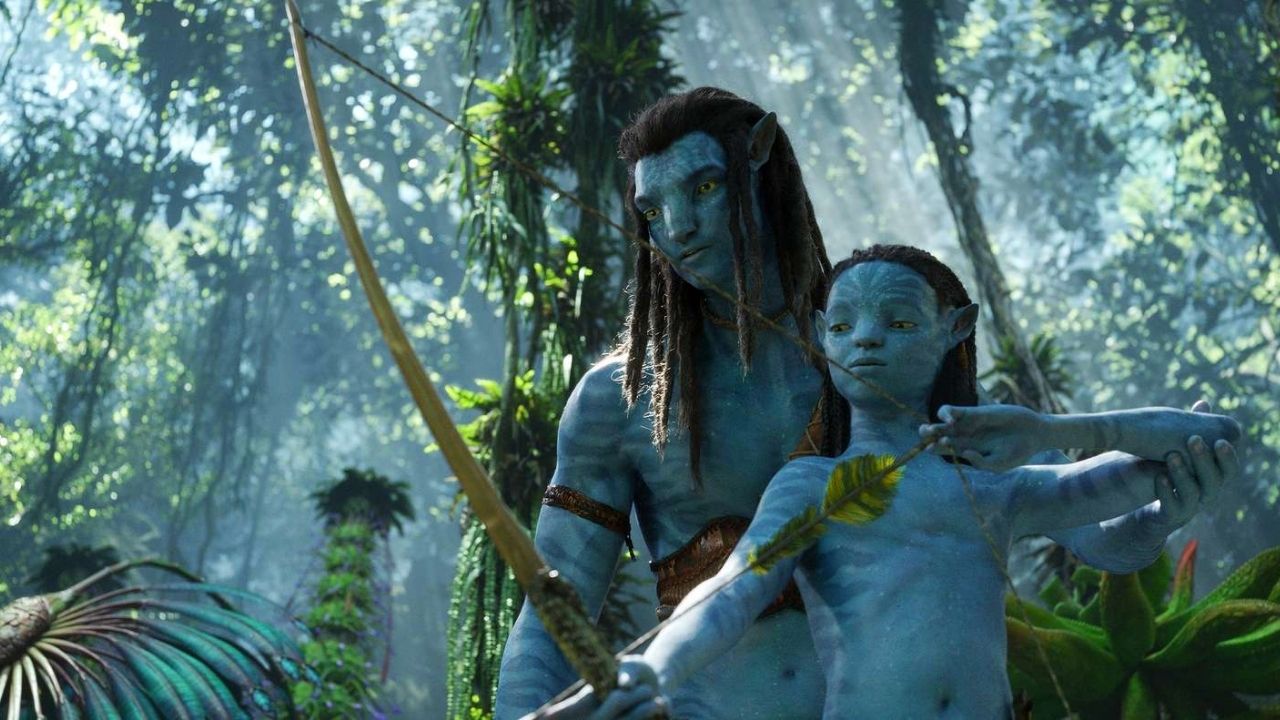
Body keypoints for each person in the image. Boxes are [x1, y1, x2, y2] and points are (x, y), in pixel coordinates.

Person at [494, 88, 1236, 720]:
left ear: (760, 163)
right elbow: (554, 608)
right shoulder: (618, 399)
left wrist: (1161, 512)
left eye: (705, 188)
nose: (677, 228)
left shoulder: (885, 360)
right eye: (653, 210)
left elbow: (1093, 534)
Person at [554, 245, 1241, 719]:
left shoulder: (993, 485)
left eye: (900, 321)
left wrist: (1045, 431)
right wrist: (653, 669)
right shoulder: (812, 486)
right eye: (843, 325)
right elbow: (733, 592)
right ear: (820, 335)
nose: (866, 339)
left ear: (955, 328)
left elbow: (1211, 436)